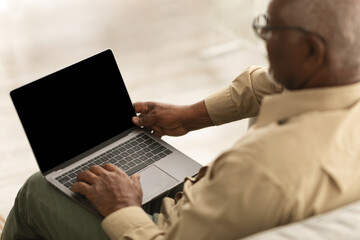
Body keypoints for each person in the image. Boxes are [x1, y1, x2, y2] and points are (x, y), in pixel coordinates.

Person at [3, 0, 360, 239]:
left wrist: (122, 207)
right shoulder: (343, 84)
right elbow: (267, 84)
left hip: (166, 228)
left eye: (270, 30)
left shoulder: (260, 167)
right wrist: (190, 116)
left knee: (37, 190)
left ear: (312, 51)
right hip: (210, 201)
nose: (264, 39)